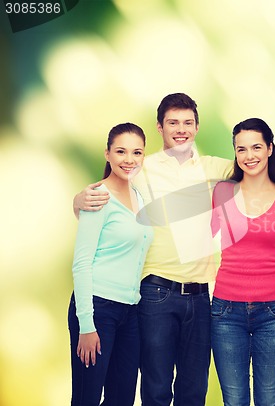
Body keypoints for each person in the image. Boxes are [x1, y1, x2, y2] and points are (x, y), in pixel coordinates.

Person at [74, 93, 233, 405]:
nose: (181, 129)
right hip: (155, 292)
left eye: (188, 122)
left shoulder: (215, 168)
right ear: (160, 127)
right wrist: (78, 201)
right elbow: (105, 196)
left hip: (201, 296)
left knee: (193, 389)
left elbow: (260, 163)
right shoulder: (140, 167)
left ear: (197, 127)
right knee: (155, 387)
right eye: (173, 122)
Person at [210, 118, 275, 406]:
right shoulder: (221, 192)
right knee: (234, 401)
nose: (249, 156)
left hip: (274, 312)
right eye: (241, 149)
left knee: (269, 401)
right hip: (225, 312)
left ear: (270, 149)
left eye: (257, 147)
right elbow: (197, 238)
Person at [68, 123, 153, 405]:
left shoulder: (140, 197)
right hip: (98, 309)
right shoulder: (98, 197)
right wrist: (86, 325)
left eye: (136, 152)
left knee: (122, 398)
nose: (129, 159)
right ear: (107, 154)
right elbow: (81, 263)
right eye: (120, 151)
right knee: (87, 397)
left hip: (130, 312)